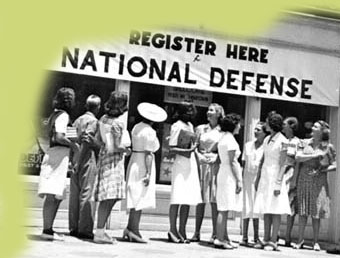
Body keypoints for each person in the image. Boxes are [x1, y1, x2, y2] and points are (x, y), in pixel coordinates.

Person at [38, 87, 79, 241]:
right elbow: (60, 136)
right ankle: (46, 229)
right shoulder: (63, 116)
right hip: (58, 156)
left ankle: (49, 228)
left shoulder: (55, 115)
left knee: (56, 195)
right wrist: (74, 146)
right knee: (52, 193)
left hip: (57, 155)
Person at [123, 102, 167, 243]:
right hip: (142, 162)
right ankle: (133, 229)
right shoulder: (150, 131)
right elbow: (149, 153)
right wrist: (148, 173)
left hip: (135, 160)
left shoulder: (136, 127)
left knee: (135, 194)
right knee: (140, 195)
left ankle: (131, 227)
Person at [93, 91, 131, 244]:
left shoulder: (103, 118)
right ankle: (100, 232)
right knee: (110, 196)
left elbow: (97, 140)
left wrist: (105, 146)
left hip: (104, 157)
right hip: (114, 160)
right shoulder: (118, 122)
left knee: (108, 196)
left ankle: (101, 230)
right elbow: (117, 146)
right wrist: (126, 150)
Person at [294, 120, 336, 251]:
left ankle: (316, 242)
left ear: (322, 130)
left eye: (316, 126)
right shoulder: (304, 142)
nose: (312, 128)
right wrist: (314, 155)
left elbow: (335, 164)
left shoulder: (328, 147)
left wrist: (322, 170)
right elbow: (297, 157)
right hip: (304, 178)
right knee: (302, 210)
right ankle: (300, 240)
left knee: (316, 212)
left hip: (319, 180)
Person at [253, 111, 291, 251]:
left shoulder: (284, 141)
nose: (265, 124)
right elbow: (263, 159)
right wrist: (257, 178)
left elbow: (283, 163)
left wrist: (278, 182)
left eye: (267, 122)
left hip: (275, 176)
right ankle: (266, 238)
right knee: (266, 208)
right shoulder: (267, 139)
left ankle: (274, 240)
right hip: (265, 175)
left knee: (275, 209)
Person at [168, 101, 202, 243]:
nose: (190, 113)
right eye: (188, 111)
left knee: (187, 198)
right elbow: (171, 147)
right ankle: (172, 229)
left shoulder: (190, 126)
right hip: (181, 163)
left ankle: (182, 229)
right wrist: (188, 150)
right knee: (177, 197)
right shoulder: (176, 126)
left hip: (190, 163)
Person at [68, 95, 101, 239]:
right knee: (86, 193)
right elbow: (87, 140)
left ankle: (73, 226)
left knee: (74, 193)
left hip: (75, 157)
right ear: (97, 107)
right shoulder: (93, 121)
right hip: (87, 158)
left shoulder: (77, 120)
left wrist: (72, 159)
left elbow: (71, 140)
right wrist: (80, 159)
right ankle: (85, 228)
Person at [191, 103, 225, 243]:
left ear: (218, 113)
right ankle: (196, 232)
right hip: (201, 164)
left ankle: (215, 233)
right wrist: (198, 155)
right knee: (200, 200)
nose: (208, 112)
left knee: (214, 199)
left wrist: (217, 157)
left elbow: (225, 148)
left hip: (215, 165)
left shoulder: (222, 131)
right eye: (208, 110)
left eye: (211, 110)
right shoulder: (200, 128)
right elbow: (194, 146)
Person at [214, 113, 243, 249]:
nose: (240, 126)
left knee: (223, 207)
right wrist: (239, 180)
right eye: (238, 124)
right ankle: (220, 239)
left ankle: (224, 237)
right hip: (228, 175)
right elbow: (232, 162)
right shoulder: (230, 140)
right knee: (224, 208)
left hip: (223, 173)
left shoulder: (224, 138)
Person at [240, 122, 267, 247]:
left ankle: (256, 237)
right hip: (247, 179)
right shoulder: (248, 145)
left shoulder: (266, 147)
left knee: (256, 207)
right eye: (255, 129)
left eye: (259, 130)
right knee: (246, 206)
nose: (256, 131)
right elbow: (244, 163)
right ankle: (244, 236)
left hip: (259, 180)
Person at [281, 117, 300, 247]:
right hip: (279, 173)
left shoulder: (298, 142)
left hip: (290, 173)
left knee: (290, 205)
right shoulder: (280, 139)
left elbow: (298, 161)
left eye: (285, 124)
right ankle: (274, 234)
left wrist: (294, 179)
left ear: (291, 126)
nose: (282, 126)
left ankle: (287, 236)